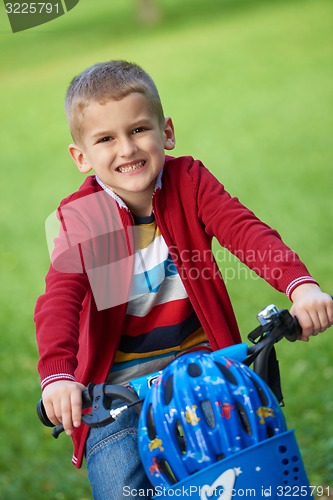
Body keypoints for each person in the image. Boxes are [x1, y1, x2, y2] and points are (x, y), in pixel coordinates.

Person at [35, 60, 333, 499]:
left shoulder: (188, 182)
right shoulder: (85, 216)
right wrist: (58, 375)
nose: (127, 149)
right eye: (105, 139)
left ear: (166, 132)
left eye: (138, 129)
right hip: (119, 393)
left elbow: (245, 232)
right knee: (122, 486)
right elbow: (60, 296)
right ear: (81, 157)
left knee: (257, 475)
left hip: (205, 370)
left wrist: (300, 285)